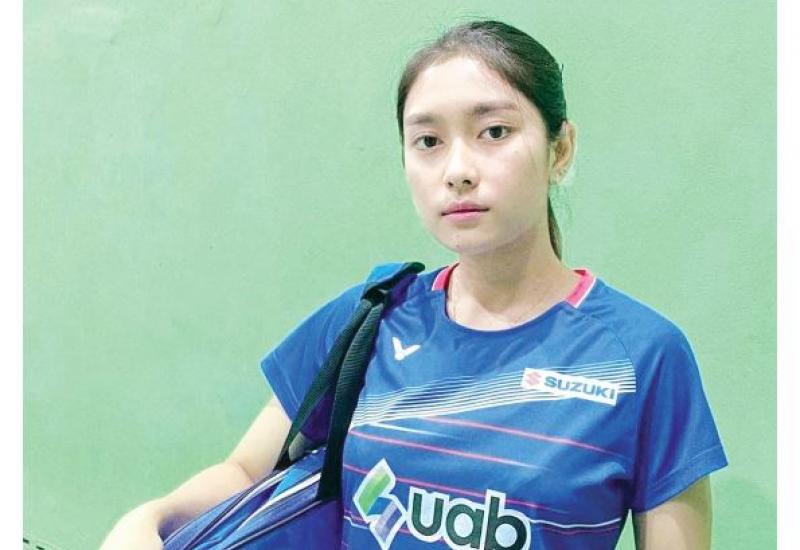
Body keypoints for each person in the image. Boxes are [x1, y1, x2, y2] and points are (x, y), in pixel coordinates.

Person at [101, 19, 727, 549]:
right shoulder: (371, 317)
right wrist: (148, 519)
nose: (457, 170)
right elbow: (245, 472)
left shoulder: (642, 356)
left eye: (494, 132)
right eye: (427, 141)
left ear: (559, 149)